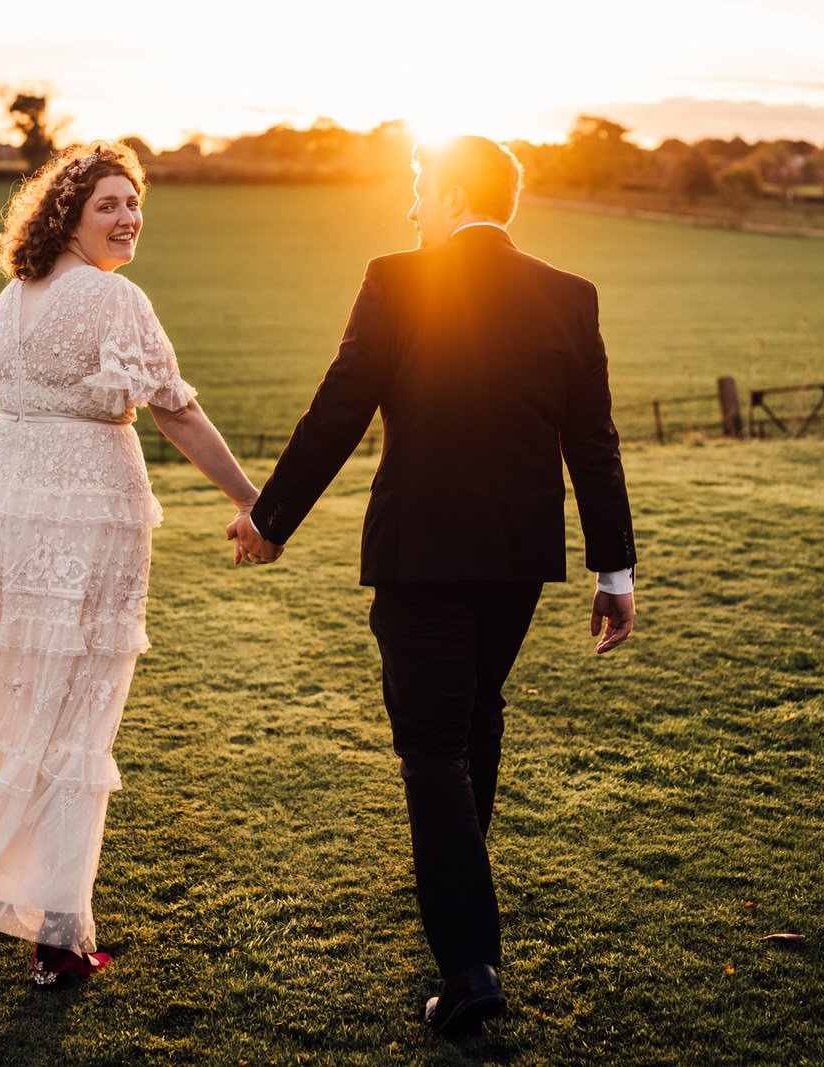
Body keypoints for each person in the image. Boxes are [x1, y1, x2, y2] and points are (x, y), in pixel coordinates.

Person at [229, 135, 638, 1034]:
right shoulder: (570, 295)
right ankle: (463, 872)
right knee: (476, 714)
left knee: (430, 746)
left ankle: (468, 967)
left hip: (420, 556)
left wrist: (268, 519)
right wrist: (615, 570)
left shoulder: (395, 279)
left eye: (420, 191)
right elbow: (594, 444)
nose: (413, 209)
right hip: (516, 558)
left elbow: (339, 408)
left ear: (453, 194)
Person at [0, 140, 259, 987]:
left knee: (16, 706)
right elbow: (177, 413)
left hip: (13, 522)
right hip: (81, 522)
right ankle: (57, 935)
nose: (129, 218)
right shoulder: (114, 300)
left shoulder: (14, 298)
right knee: (75, 720)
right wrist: (253, 498)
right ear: (68, 217)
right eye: (109, 204)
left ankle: (18, 899)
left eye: (135, 201)